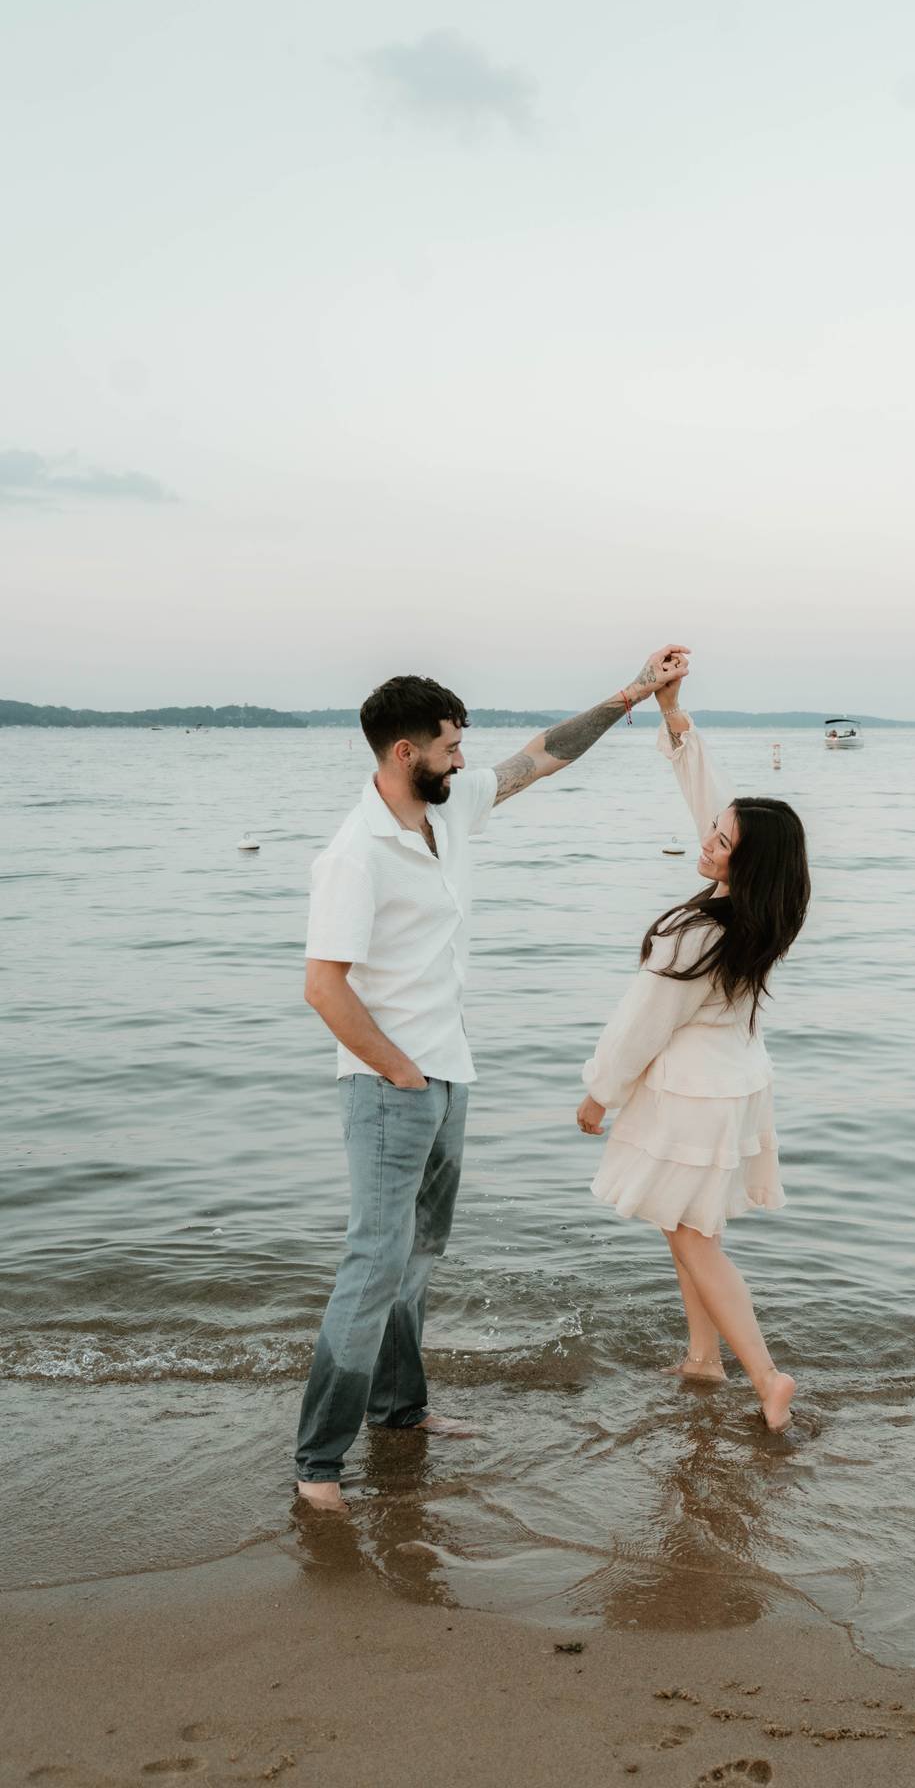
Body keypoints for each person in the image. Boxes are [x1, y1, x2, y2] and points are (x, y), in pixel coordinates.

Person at [296, 646, 690, 1510]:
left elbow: (542, 755)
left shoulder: (450, 808)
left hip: (448, 1073)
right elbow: (322, 987)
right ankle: (318, 1464)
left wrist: (635, 691)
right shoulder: (354, 855)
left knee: (417, 1256)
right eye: (449, 747)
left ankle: (400, 1412)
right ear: (407, 754)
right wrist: (399, 1069)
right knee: (373, 1259)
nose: (464, 760)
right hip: (389, 1085)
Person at [576, 672, 810, 1432]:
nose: (708, 840)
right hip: (734, 1085)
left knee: (693, 1237)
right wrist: (674, 714)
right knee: (688, 1226)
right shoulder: (761, 910)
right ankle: (702, 1359)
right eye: (713, 832)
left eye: (722, 841)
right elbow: (720, 806)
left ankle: (767, 1377)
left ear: (747, 860)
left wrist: (598, 1092)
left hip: (696, 1096)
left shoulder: (698, 933)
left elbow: (641, 1021)